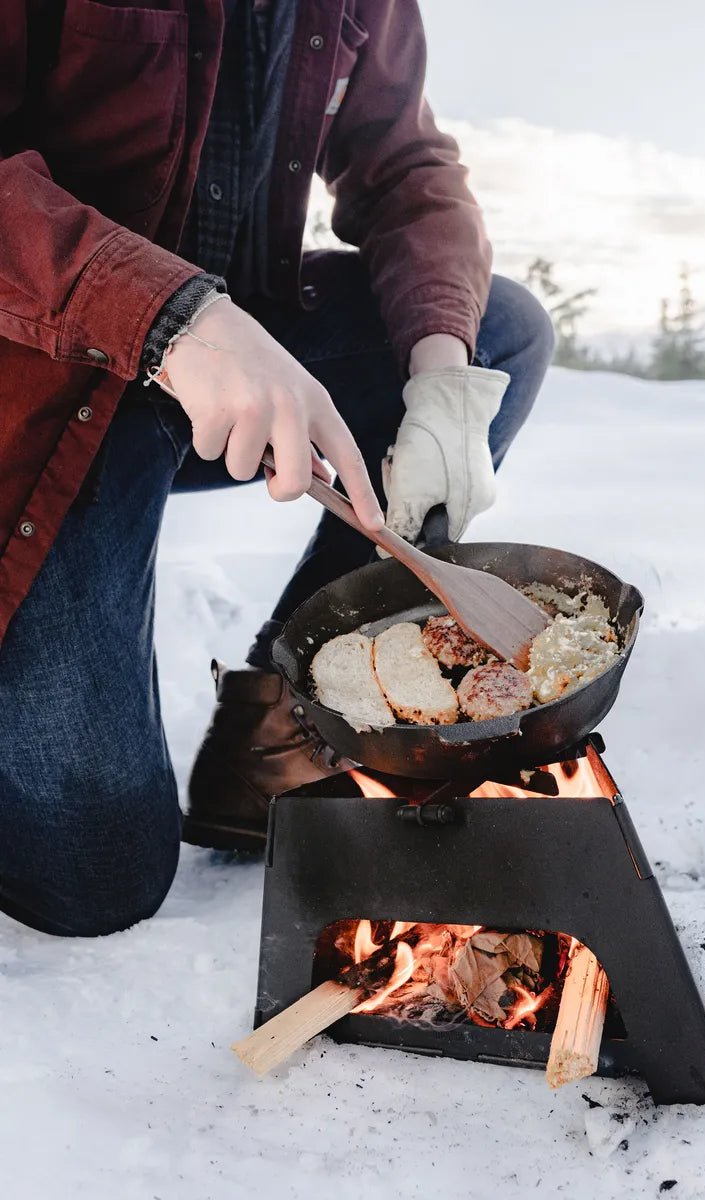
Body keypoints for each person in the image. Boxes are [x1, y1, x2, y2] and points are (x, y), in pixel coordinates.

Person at [0, 1, 554, 936]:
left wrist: (442, 367)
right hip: (41, 374)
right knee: (93, 880)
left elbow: (405, 162)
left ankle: (276, 726)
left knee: (495, 332)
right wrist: (169, 316)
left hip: (233, 347)